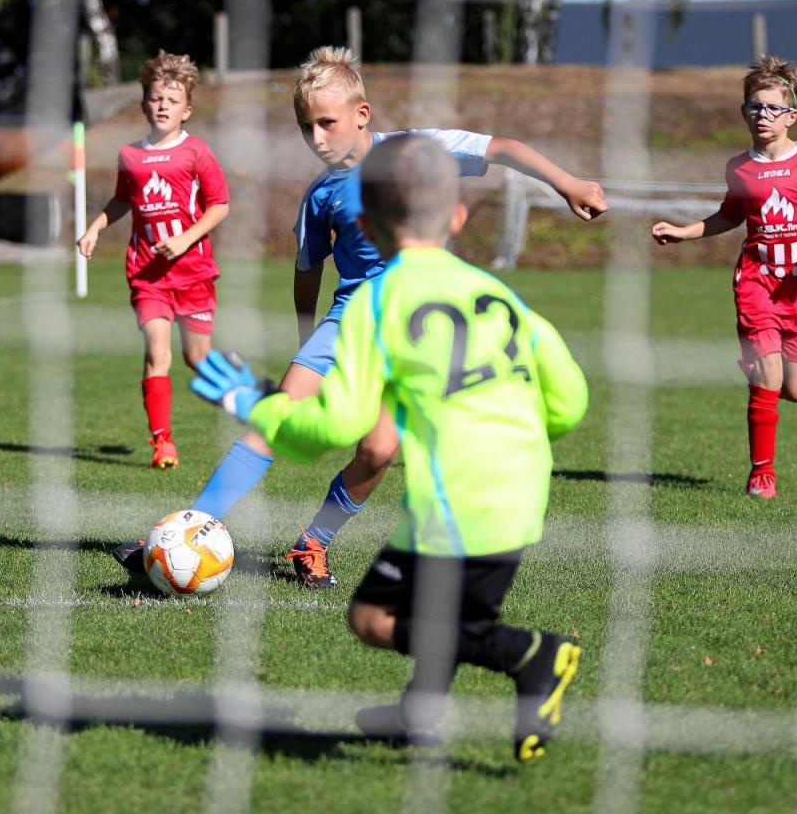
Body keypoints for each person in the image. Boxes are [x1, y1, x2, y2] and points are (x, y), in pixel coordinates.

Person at [114, 45, 607, 587]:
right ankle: (187, 531)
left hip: (418, 329)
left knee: (378, 449)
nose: (318, 138)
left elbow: (503, 147)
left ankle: (313, 542)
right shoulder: (320, 196)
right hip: (350, 319)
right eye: (307, 128)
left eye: (328, 123)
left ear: (361, 114)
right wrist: (309, 339)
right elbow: (307, 271)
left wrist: (568, 183)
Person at [191, 134, 588, 761]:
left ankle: (533, 655)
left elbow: (329, 424)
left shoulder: (377, 302)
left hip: (459, 502)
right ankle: (416, 717)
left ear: (368, 229)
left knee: (374, 619)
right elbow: (570, 401)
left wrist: (253, 402)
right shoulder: (499, 295)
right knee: (442, 606)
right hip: (520, 491)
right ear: (458, 218)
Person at [650, 54, 797, 499]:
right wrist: (685, 231)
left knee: (795, 391)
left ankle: (761, 372)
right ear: (744, 112)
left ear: (791, 115)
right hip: (756, 282)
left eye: (773, 108)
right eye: (754, 107)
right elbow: (729, 216)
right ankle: (762, 473)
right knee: (769, 379)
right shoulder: (739, 167)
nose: (763, 115)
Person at [76, 51, 230, 469]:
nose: (163, 105)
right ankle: (162, 442)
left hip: (193, 271)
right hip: (147, 275)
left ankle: (245, 397)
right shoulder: (131, 156)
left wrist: (185, 239)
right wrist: (95, 227)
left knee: (196, 359)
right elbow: (123, 200)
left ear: (187, 109)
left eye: (172, 100)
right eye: (157, 97)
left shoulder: (197, 152)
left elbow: (219, 206)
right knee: (156, 353)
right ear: (144, 102)